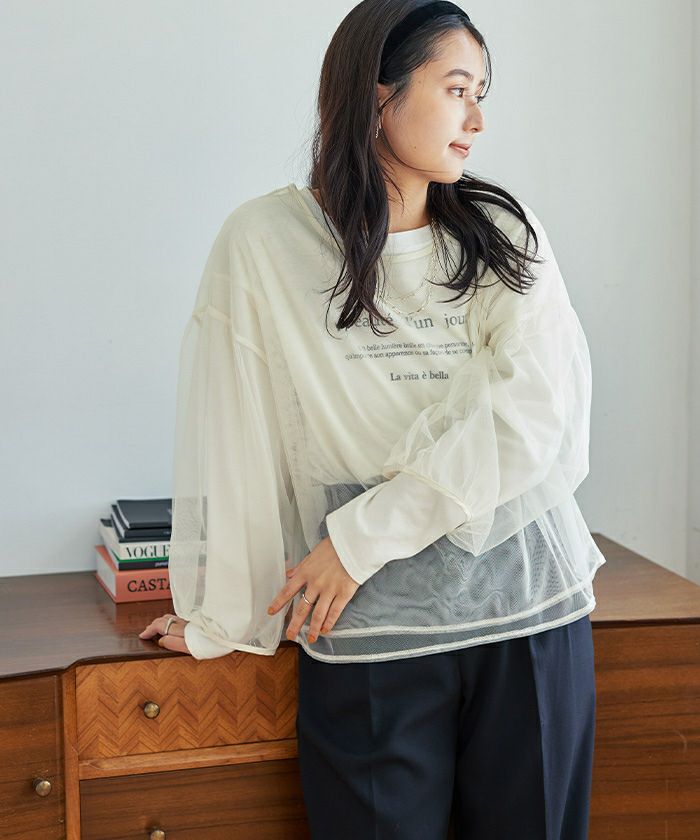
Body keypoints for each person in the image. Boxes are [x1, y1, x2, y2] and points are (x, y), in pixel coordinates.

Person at [139, 1, 606, 837]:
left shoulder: (502, 232)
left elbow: (533, 418)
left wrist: (359, 540)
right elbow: (239, 436)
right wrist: (224, 616)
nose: (477, 120)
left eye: (482, 94)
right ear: (377, 93)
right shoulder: (265, 243)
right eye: (456, 89)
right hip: (366, 630)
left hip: (526, 616)